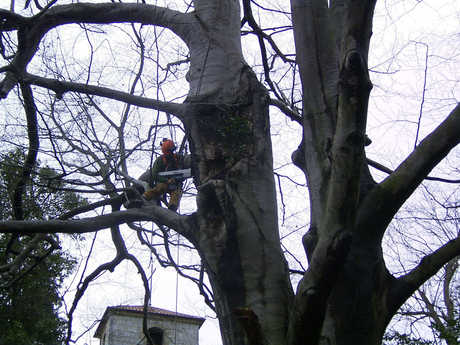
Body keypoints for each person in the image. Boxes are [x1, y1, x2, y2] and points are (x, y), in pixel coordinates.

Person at [140, 138, 185, 211]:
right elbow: (155, 174)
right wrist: (167, 180)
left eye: (172, 150)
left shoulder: (177, 158)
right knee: (160, 188)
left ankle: (172, 207)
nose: (171, 153)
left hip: (174, 183)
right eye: (169, 151)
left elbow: (182, 173)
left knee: (177, 192)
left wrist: (177, 179)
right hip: (162, 182)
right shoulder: (160, 160)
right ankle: (144, 197)